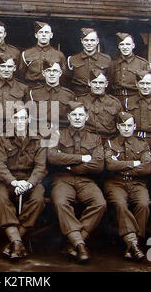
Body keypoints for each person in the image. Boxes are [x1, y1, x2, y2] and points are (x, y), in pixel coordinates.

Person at [47, 101, 106, 263]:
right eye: (74, 115)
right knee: (60, 202)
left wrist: (71, 167)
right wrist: (80, 159)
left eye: (81, 115)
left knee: (100, 203)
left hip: (86, 181)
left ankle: (75, 241)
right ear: (68, 117)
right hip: (62, 180)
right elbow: (52, 156)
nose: (77, 118)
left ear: (86, 117)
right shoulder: (57, 133)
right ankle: (80, 244)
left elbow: (98, 164)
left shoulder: (95, 138)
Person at [0, 106, 47, 260]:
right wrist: (14, 182)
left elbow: (40, 167)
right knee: (1, 198)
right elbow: (0, 166)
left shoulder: (38, 139)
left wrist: (29, 184)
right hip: (7, 180)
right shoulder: (3, 138)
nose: (20, 121)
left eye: (23, 118)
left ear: (29, 120)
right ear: (12, 120)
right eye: (16, 118)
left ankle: (14, 241)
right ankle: (17, 241)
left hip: (31, 180)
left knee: (38, 198)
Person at [104, 112, 151, 260]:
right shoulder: (110, 143)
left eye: (129, 125)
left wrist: (121, 166)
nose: (126, 128)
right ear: (118, 126)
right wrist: (133, 163)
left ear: (135, 127)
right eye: (123, 125)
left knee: (143, 204)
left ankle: (131, 244)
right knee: (119, 203)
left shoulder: (142, 144)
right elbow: (110, 166)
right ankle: (133, 244)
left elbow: (146, 168)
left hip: (137, 182)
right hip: (115, 182)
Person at [76, 69, 122, 143]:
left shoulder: (114, 103)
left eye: (101, 83)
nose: (97, 86)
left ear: (106, 84)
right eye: (94, 82)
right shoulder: (80, 101)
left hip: (108, 141)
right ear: (89, 83)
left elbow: (120, 126)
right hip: (86, 141)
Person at [27, 60, 76, 128]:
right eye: (48, 71)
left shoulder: (69, 95)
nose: (51, 74)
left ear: (60, 73)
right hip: (39, 133)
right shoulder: (33, 93)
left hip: (61, 133)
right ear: (43, 73)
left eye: (55, 71)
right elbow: (29, 117)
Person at [18, 21, 66, 88]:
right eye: (40, 32)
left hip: (51, 89)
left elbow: (63, 77)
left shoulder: (59, 55)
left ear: (51, 35)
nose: (43, 35)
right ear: (36, 35)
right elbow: (20, 76)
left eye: (46, 32)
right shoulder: (26, 54)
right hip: (31, 89)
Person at [108, 32, 149, 106]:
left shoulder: (142, 63)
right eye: (122, 44)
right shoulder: (113, 64)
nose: (125, 47)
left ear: (133, 45)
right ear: (119, 46)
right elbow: (109, 85)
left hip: (135, 99)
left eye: (128, 44)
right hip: (117, 99)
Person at [67, 28, 111, 96]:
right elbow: (66, 82)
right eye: (86, 40)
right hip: (79, 97)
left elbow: (110, 81)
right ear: (82, 41)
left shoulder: (106, 59)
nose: (89, 43)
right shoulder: (72, 59)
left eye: (92, 40)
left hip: (98, 97)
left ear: (97, 41)